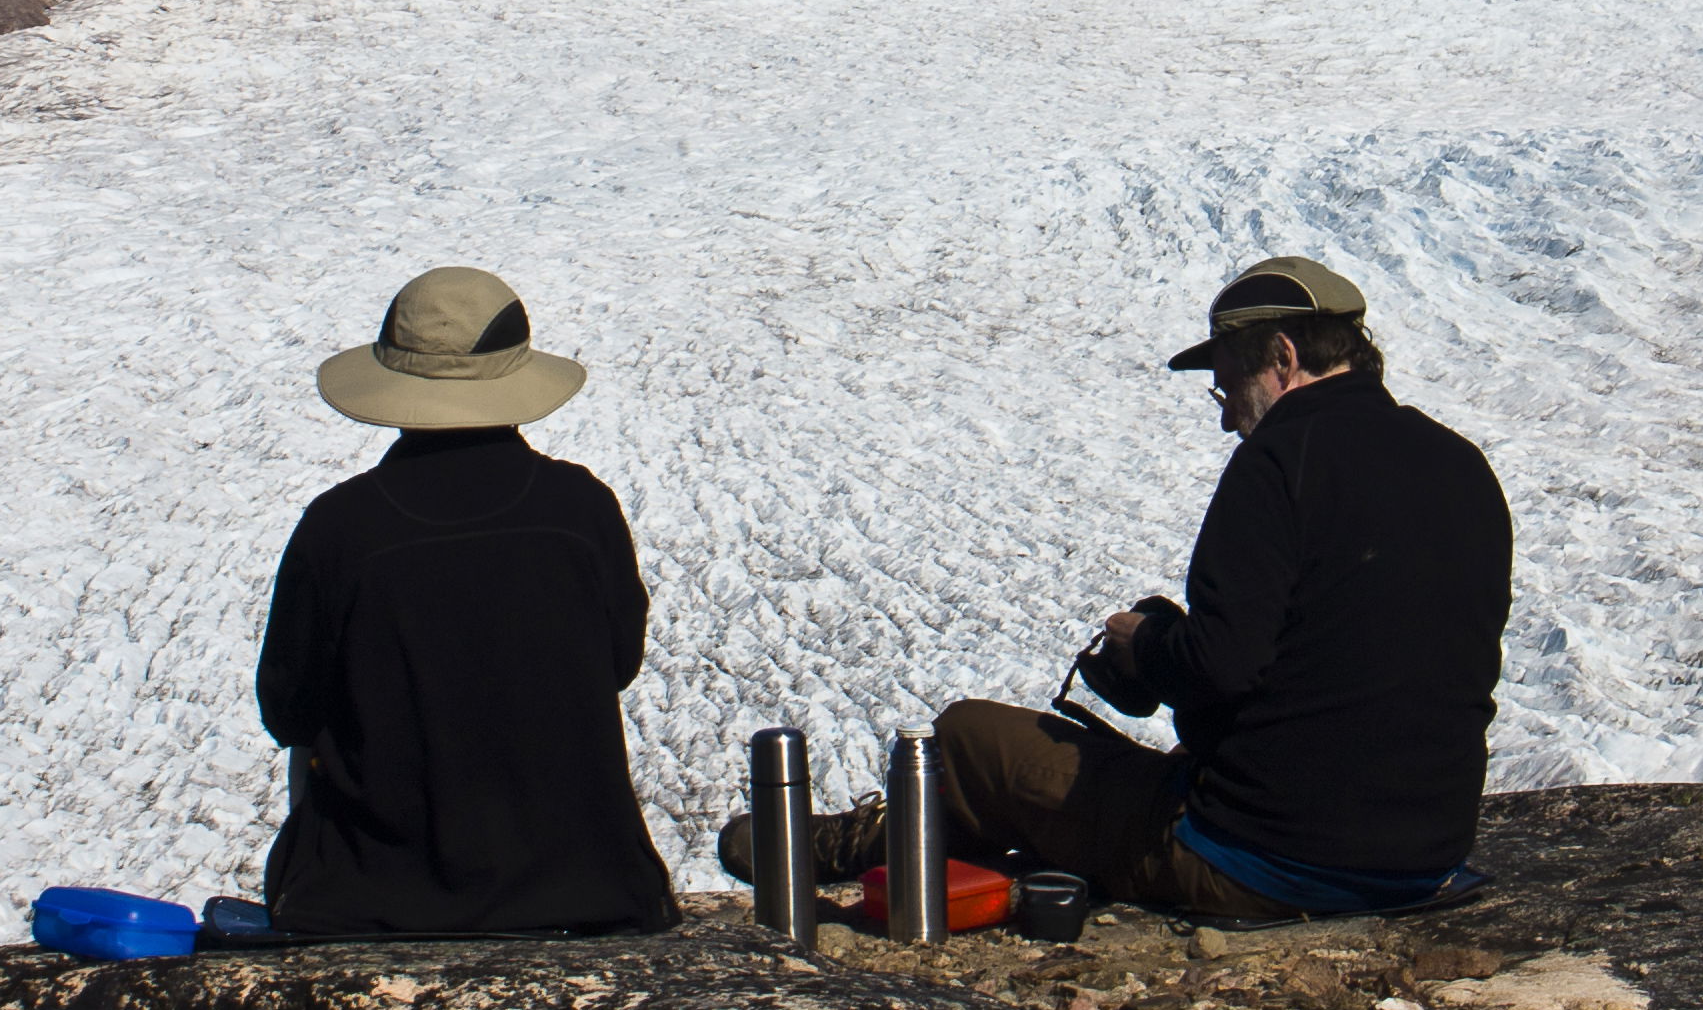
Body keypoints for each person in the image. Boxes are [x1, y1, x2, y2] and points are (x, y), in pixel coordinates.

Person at [732, 256, 1512, 921]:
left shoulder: (1278, 464)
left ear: (1282, 355)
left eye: (1228, 386)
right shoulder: (1462, 466)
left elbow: (1225, 667)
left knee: (974, 740)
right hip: (1424, 857)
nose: (1227, 418)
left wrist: (1147, 647)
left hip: (1270, 860)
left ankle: (838, 849)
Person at [257, 266, 679, 936]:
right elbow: (617, 662)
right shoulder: (582, 510)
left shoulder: (338, 528)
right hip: (586, 884)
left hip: (374, 892)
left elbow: (291, 706)